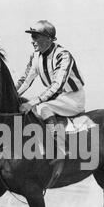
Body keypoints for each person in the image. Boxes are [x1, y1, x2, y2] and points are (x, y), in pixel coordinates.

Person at [16, 20, 86, 158]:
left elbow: (57, 85)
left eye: (36, 37)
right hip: (56, 98)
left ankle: (59, 147)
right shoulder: (35, 56)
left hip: (73, 97)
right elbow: (25, 80)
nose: (32, 40)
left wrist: (32, 102)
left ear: (48, 38)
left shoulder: (63, 55)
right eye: (32, 37)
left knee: (42, 107)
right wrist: (12, 96)